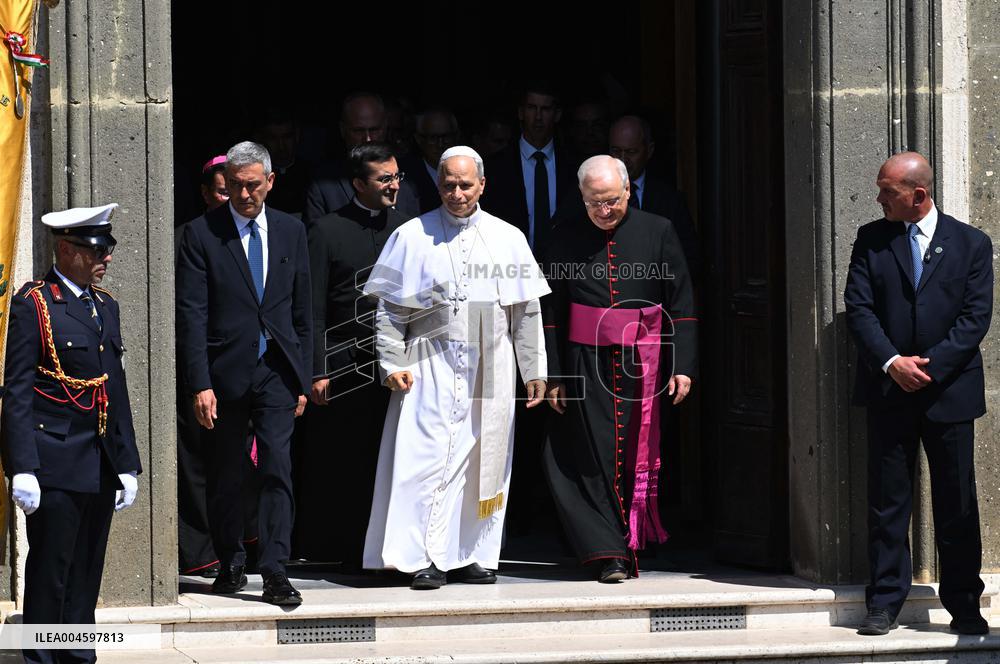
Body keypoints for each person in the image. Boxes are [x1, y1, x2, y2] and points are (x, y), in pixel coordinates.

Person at [362, 146, 549, 589]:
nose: (457, 193)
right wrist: (391, 361)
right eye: (449, 184)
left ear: (482, 184)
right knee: (423, 461)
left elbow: (526, 312)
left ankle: (470, 554)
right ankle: (423, 557)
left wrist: (534, 370)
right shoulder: (412, 235)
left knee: (483, 463)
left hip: (492, 366)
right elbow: (389, 311)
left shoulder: (509, 237)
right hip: (429, 364)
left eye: (466, 184)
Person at [844, 152, 994, 636]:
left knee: (956, 501)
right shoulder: (871, 239)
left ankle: (964, 604)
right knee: (888, 503)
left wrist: (928, 370)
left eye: (888, 191)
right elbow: (859, 306)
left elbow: (975, 319)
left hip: (948, 392)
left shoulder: (971, 244)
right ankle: (885, 601)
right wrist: (892, 362)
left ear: (919, 195)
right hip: (890, 389)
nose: (879, 199)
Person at [542, 155, 697, 583]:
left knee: (634, 455)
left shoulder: (658, 230)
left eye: (612, 200)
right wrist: (555, 375)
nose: (604, 211)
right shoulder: (563, 237)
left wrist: (682, 364)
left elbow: (681, 302)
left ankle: (632, 543)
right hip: (584, 361)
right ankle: (607, 551)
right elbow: (551, 312)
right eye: (595, 202)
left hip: (642, 360)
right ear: (581, 197)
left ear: (628, 190)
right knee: (593, 456)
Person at [1, 203, 141, 664]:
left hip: (98, 458)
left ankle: (78, 655)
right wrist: (21, 467)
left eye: (109, 248)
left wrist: (127, 464)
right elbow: (18, 392)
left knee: (86, 569)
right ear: (65, 249)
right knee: (50, 569)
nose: (106, 259)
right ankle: (39, 658)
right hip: (54, 458)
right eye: (96, 249)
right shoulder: (34, 304)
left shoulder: (106, 306)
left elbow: (114, 390)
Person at [177, 140, 312, 606]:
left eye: (253, 185)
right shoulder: (201, 233)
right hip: (224, 369)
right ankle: (230, 558)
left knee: (277, 468)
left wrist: (303, 376)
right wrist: (200, 383)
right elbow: (191, 314)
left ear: (270, 182)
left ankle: (275, 569)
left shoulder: (292, 231)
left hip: (276, 369)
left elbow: (302, 310)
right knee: (226, 472)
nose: (245, 194)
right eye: (235, 186)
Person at [297, 142, 409, 564]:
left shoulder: (406, 229)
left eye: (397, 177)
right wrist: (318, 368)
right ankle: (337, 549)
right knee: (341, 459)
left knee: (389, 458)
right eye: (385, 179)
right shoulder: (325, 230)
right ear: (358, 184)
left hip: (395, 364)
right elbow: (314, 305)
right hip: (343, 365)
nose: (394, 186)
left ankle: (383, 548)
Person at [481, 83, 576, 258]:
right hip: (508, 267)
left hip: (563, 271)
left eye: (545, 109)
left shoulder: (575, 165)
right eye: (532, 108)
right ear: (521, 113)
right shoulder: (494, 168)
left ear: (557, 115)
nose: (538, 117)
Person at [608, 115, 701, 284]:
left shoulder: (670, 200)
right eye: (616, 151)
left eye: (631, 152)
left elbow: (689, 260)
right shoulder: (593, 195)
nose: (622, 160)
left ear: (649, 151)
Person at [303, 92, 419, 226]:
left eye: (374, 130)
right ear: (343, 130)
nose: (368, 139)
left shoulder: (410, 178)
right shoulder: (323, 183)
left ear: (386, 127)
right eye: (359, 131)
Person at [404, 106, 460, 213]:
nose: (440, 144)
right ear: (419, 139)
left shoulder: (470, 172)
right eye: (433, 138)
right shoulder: (406, 177)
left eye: (446, 137)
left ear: (456, 137)